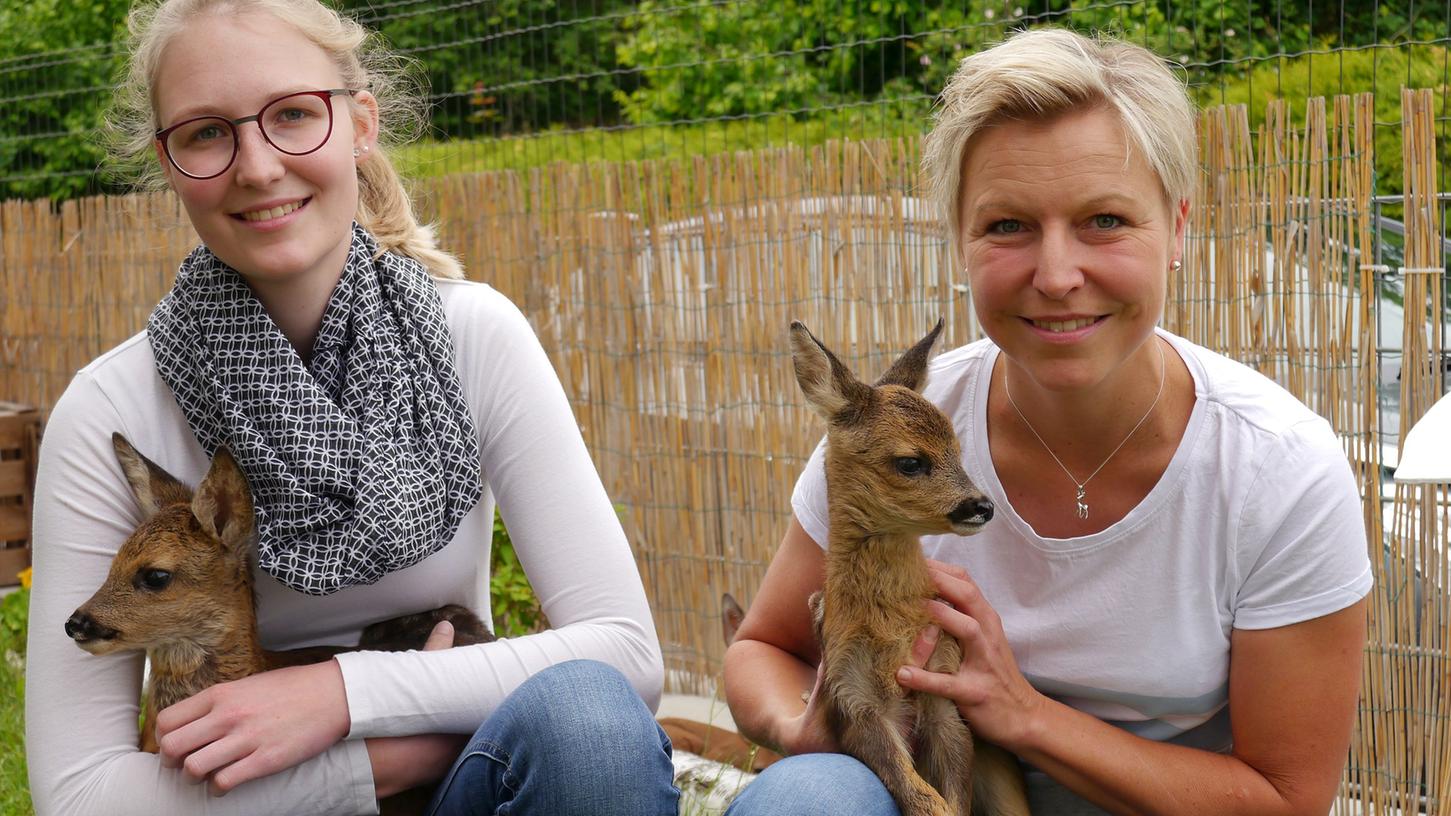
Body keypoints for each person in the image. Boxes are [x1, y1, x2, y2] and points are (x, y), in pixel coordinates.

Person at [24, 1, 678, 814]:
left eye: (293, 115)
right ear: (168, 162)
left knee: (588, 726)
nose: (257, 167)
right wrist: (388, 757)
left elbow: (623, 656)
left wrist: (338, 697)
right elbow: (78, 793)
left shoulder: (471, 337)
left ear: (359, 124)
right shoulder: (113, 408)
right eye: (206, 132)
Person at [722, 27, 1372, 816]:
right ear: (958, 239)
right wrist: (824, 734)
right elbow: (761, 649)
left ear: (1177, 227)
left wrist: (1023, 716)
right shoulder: (904, 433)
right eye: (1007, 226)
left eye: (1104, 220)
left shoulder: (1274, 471)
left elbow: (1285, 801)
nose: (1057, 276)